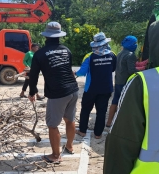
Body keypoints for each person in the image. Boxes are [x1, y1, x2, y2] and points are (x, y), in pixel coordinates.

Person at [98, 21, 159, 174]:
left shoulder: (123, 55)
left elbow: (121, 145)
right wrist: (141, 67)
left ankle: (109, 122)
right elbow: (131, 68)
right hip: (126, 83)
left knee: (116, 103)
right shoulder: (131, 59)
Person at [29, 21, 79, 163]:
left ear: (46, 36)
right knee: (70, 120)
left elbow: (33, 75)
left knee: (52, 125)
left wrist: (32, 92)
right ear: (59, 36)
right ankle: (69, 146)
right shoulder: (66, 50)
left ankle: (56, 156)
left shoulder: (39, 54)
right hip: (73, 90)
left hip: (58, 93)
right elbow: (68, 69)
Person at [75, 32, 116, 139]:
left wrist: (74, 73)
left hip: (91, 88)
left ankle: (82, 131)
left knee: (85, 110)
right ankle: (98, 134)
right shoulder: (112, 55)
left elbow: (81, 72)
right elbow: (113, 69)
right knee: (101, 111)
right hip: (106, 88)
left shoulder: (90, 56)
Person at [106, 36, 138, 127]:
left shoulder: (120, 53)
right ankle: (121, 124)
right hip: (125, 82)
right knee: (124, 103)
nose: (135, 45)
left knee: (115, 101)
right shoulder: (131, 55)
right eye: (134, 43)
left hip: (118, 80)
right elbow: (131, 70)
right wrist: (143, 72)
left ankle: (109, 121)